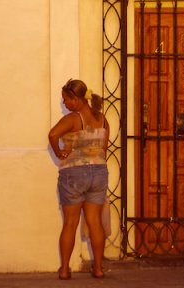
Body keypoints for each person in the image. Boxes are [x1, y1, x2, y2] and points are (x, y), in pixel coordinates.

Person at [48, 78, 110, 280]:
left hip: (75, 174)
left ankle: (65, 270)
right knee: (95, 222)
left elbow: (52, 134)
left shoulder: (73, 119)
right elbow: (104, 148)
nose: (65, 104)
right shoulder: (102, 118)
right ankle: (99, 268)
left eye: (66, 99)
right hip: (99, 172)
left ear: (75, 99)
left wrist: (59, 152)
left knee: (70, 223)